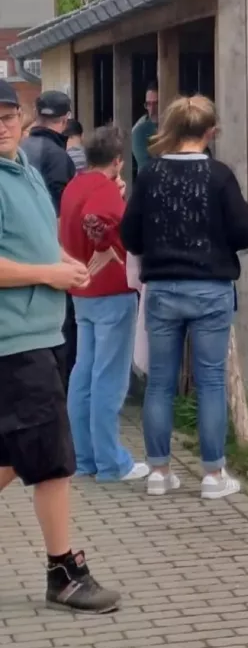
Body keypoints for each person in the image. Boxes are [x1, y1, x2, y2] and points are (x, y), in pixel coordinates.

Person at [0, 79, 120, 613]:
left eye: (7, 113)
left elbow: (34, 245)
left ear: (23, 118)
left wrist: (61, 265)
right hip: (15, 342)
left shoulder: (22, 168)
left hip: (40, 332)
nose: (1, 123)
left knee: (11, 453)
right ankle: (64, 573)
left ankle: (63, 570)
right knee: (53, 462)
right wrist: (47, 273)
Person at [121, 94, 248, 501]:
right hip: (211, 288)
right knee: (211, 380)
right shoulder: (219, 176)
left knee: (160, 381)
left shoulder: (150, 175)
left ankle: (159, 471)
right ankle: (213, 476)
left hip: (162, 288)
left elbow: (129, 235)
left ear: (173, 130)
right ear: (210, 132)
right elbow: (244, 233)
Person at [60, 126, 149, 485]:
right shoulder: (105, 189)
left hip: (81, 292)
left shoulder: (74, 186)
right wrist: (102, 249)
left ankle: (85, 458)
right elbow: (96, 218)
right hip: (112, 290)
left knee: (84, 373)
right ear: (116, 161)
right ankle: (113, 463)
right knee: (108, 379)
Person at [22, 91, 78, 386]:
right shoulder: (58, 156)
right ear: (66, 118)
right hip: (49, 256)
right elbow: (58, 216)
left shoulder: (22, 148)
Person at [130, 83, 159, 175]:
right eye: (148, 104)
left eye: (156, 103)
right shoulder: (139, 130)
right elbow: (145, 165)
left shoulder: (176, 124)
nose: (152, 109)